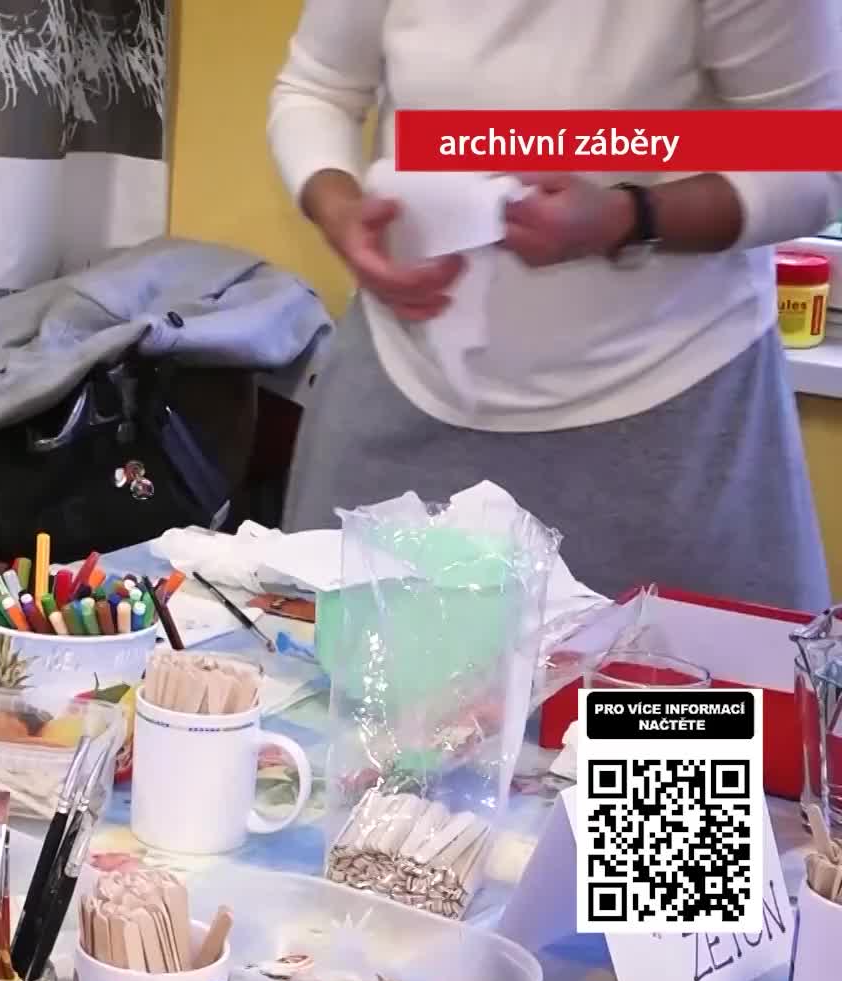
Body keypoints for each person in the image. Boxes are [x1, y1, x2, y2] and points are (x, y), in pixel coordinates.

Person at [268, 0, 838, 609]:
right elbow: (317, 89)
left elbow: (818, 158)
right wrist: (340, 212)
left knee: (666, 673)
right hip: (402, 386)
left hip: (665, 421)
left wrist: (627, 216)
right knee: (337, 659)